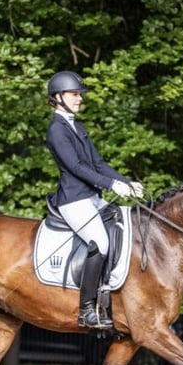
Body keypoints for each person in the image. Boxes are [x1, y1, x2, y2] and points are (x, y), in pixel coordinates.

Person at [45, 70, 144, 330]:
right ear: (58, 97)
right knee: (100, 242)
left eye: (79, 95)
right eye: (74, 94)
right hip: (73, 200)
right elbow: (76, 167)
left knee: (123, 228)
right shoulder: (57, 129)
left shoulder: (77, 126)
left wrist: (125, 182)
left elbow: (97, 164)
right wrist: (111, 185)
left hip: (91, 198)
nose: (79, 99)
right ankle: (87, 309)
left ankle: (111, 293)